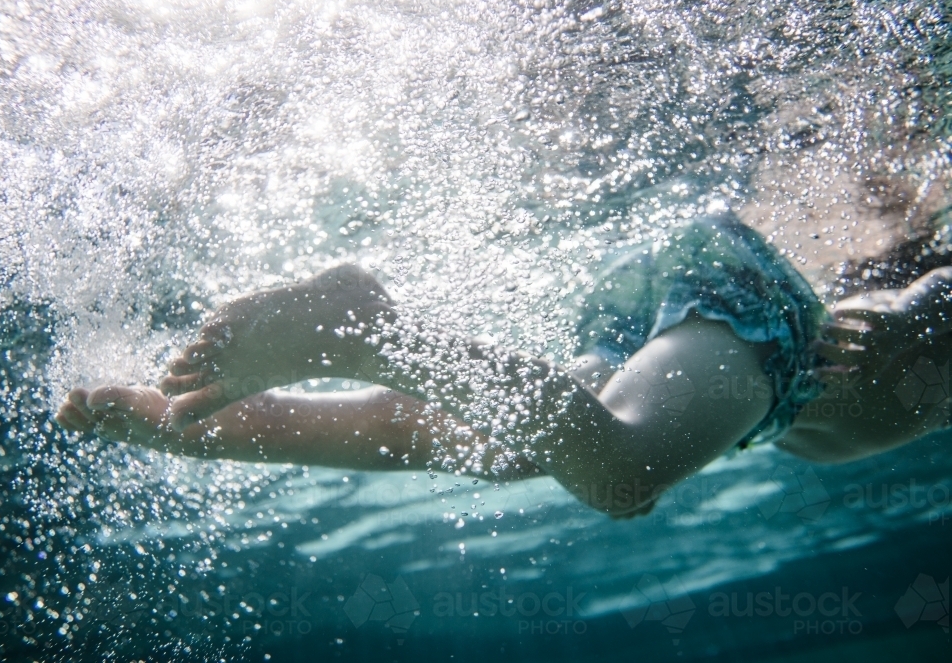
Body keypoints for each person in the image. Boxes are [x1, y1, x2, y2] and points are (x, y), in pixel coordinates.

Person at [54, 213, 952, 518]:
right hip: (769, 323)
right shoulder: (869, 345)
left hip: (691, 302)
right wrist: (914, 309)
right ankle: (361, 333)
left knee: (517, 442)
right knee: (618, 467)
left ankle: (203, 423)